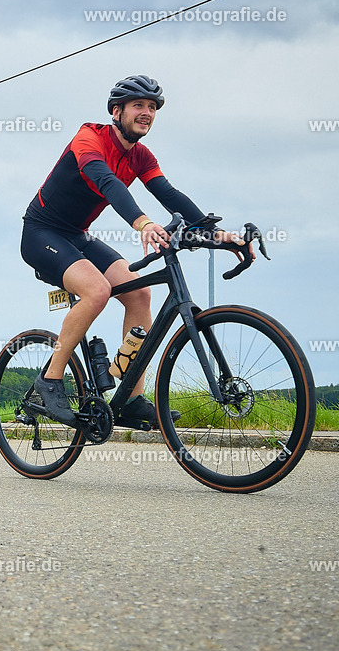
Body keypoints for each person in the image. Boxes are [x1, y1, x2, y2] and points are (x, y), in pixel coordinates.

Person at [20, 75, 244, 429]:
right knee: (97, 291)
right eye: (139, 105)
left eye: (152, 107)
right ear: (116, 110)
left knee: (140, 293)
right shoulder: (89, 138)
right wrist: (143, 224)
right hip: (41, 232)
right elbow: (107, 183)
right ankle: (50, 379)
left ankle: (131, 398)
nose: (147, 113)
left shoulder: (140, 156)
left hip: (78, 235)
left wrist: (217, 235)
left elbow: (169, 194)